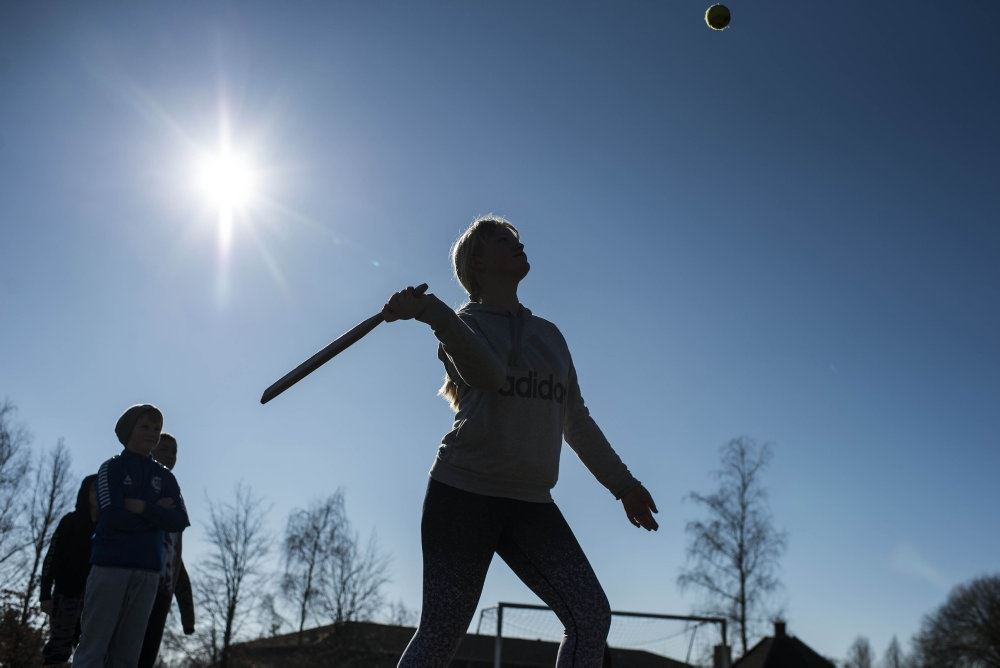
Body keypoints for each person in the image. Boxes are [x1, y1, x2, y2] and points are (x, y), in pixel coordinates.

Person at [391, 216, 659, 667]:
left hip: (530, 503)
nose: (518, 244)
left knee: (590, 615)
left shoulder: (550, 337)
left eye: (516, 238)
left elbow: (575, 421)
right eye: (503, 240)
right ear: (477, 261)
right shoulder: (460, 328)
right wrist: (434, 314)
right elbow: (489, 375)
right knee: (440, 633)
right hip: (462, 494)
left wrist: (624, 485)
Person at [72, 404, 190, 668]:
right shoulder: (111, 469)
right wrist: (157, 514)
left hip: (148, 572)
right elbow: (112, 517)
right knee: (93, 649)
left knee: (127, 657)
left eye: (157, 429)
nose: (152, 433)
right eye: (145, 427)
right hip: (110, 567)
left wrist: (141, 507)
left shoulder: (165, 478)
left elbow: (180, 521)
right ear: (129, 430)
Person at [138, 432, 195, 668]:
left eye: (174, 452)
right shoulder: (139, 482)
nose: (170, 455)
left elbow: (176, 557)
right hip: (138, 583)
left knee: (147, 656)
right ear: (150, 449)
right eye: (164, 449)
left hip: (163, 590)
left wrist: (187, 615)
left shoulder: (175, 495)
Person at [39, 475, 98, 665]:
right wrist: (45, 594)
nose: (97, 494)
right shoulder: (70, 521)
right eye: (92, 490)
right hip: (66, 596)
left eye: (100, 489)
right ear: (85, 493)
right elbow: (52, 557)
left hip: (96, 599)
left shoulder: (107, 527)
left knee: (90, 653)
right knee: (58, 650)